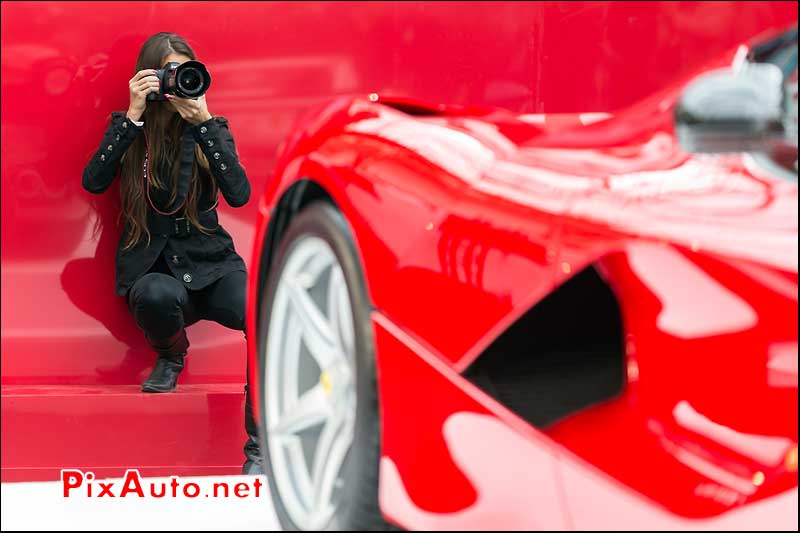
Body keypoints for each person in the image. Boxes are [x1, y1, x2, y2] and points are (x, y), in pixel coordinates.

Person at [81, 32, 261, 475]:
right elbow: (94, 180)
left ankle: (261, 448)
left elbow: (239, 193)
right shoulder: (131, 128)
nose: (174, 83)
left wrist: (203, 122)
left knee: (263, 316)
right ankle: (172, 353)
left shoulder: (208, 127)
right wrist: (134, 114)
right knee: (154, 296)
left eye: (183, 73)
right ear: (147, 77)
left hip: (212, 264)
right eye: (166, 74)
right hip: (155, 267)